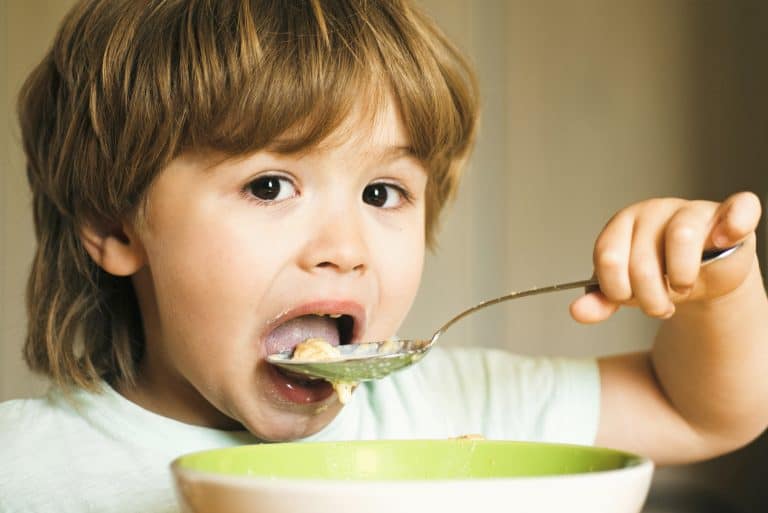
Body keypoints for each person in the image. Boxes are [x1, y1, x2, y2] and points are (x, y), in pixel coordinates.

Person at [1, 1, 766, 512]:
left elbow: (697, 410)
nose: (346, 250)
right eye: (270, 185)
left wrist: (718, 289)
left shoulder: (459, 412)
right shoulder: (24, 469)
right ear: (115, 223)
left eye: (381, 194)